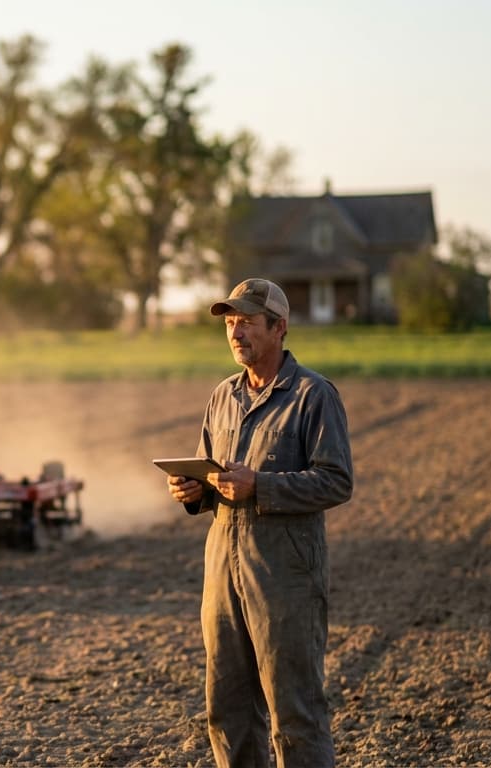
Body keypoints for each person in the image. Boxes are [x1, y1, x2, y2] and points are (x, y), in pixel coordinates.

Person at [166, 277, 353, 768]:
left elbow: (336, 482)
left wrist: (262, 487)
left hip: (285, 576)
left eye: (247, 322)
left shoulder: (313, 394)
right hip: (222, 571)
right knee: (227, 712)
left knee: (294, 714)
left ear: (279, 328)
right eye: (230, 323)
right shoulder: (222, 397)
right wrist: (194, 491)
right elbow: (214, 475)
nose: (236, 332)